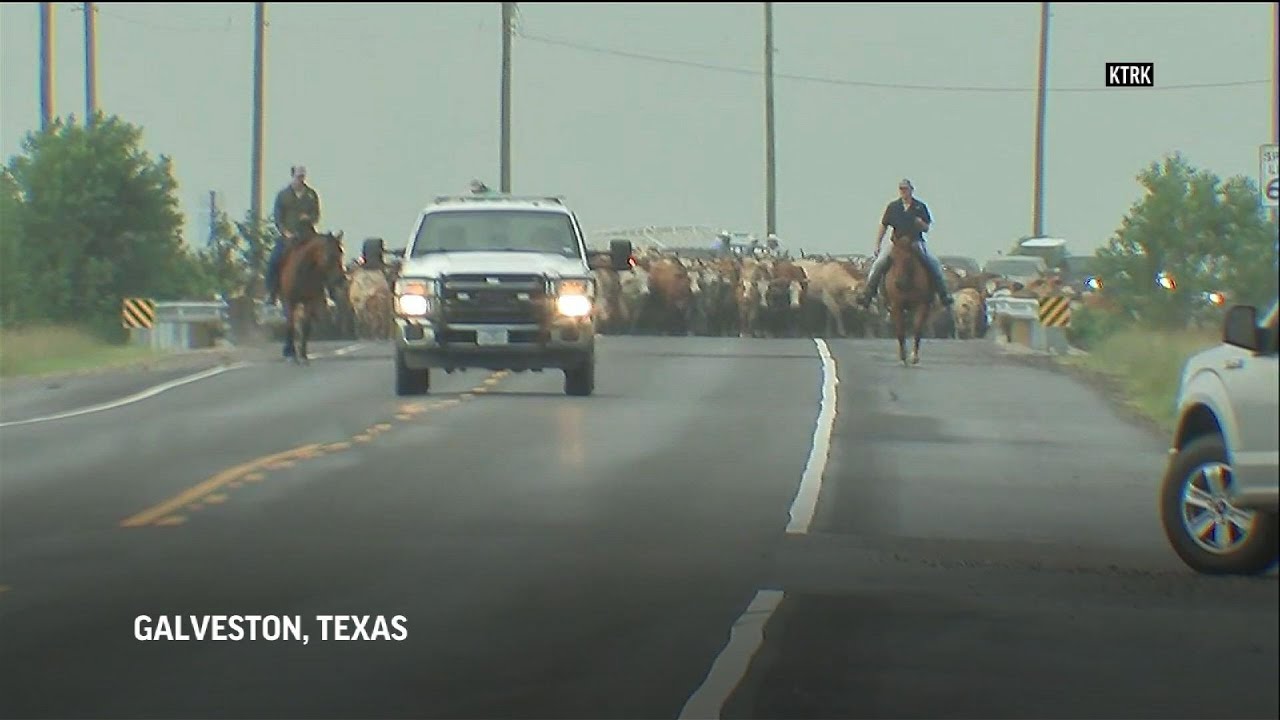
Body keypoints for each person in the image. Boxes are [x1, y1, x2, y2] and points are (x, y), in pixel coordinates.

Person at [859, 179, 952, 308]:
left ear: (911, 190)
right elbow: (884, 226)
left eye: (906, 189)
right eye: (901, 189)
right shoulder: (893, 207)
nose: (903, 191)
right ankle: (868, 294)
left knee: (934, 263)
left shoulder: (919, 206)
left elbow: (927, 227)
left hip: (915, 242)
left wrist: (921, 224)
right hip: (897, 243)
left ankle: (944, 295)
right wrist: (878, 244)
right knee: (879, 264)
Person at [266, 165, 322, 305]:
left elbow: (316, 215)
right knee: (274, 260)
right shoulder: (283, 195)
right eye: (298, 177)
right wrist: (285, 232)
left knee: (324, 258)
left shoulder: (311, 194)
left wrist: (308, 218)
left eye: (303, 177)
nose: (301, 180)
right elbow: (278, 217)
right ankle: (272, 293)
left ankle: (324, 291)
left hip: (308, 235)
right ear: (292, 176)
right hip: (289, 236)